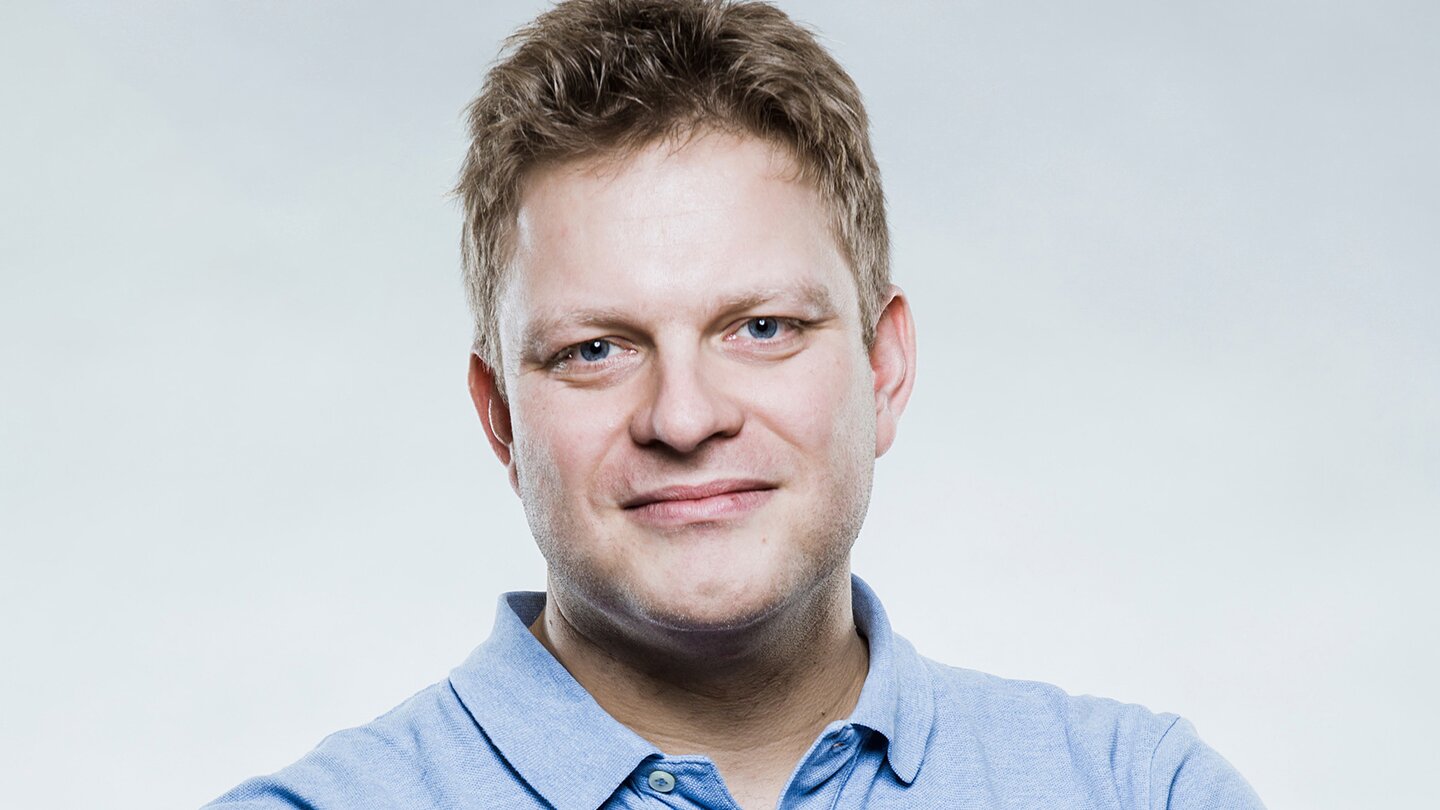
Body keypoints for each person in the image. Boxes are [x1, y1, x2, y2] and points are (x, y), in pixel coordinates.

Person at [206, 1, 1264, 807]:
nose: (683, 418)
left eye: (761, 328)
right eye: (594, 349)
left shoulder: (1135, 789)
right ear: (500, 419)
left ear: (884, 368)